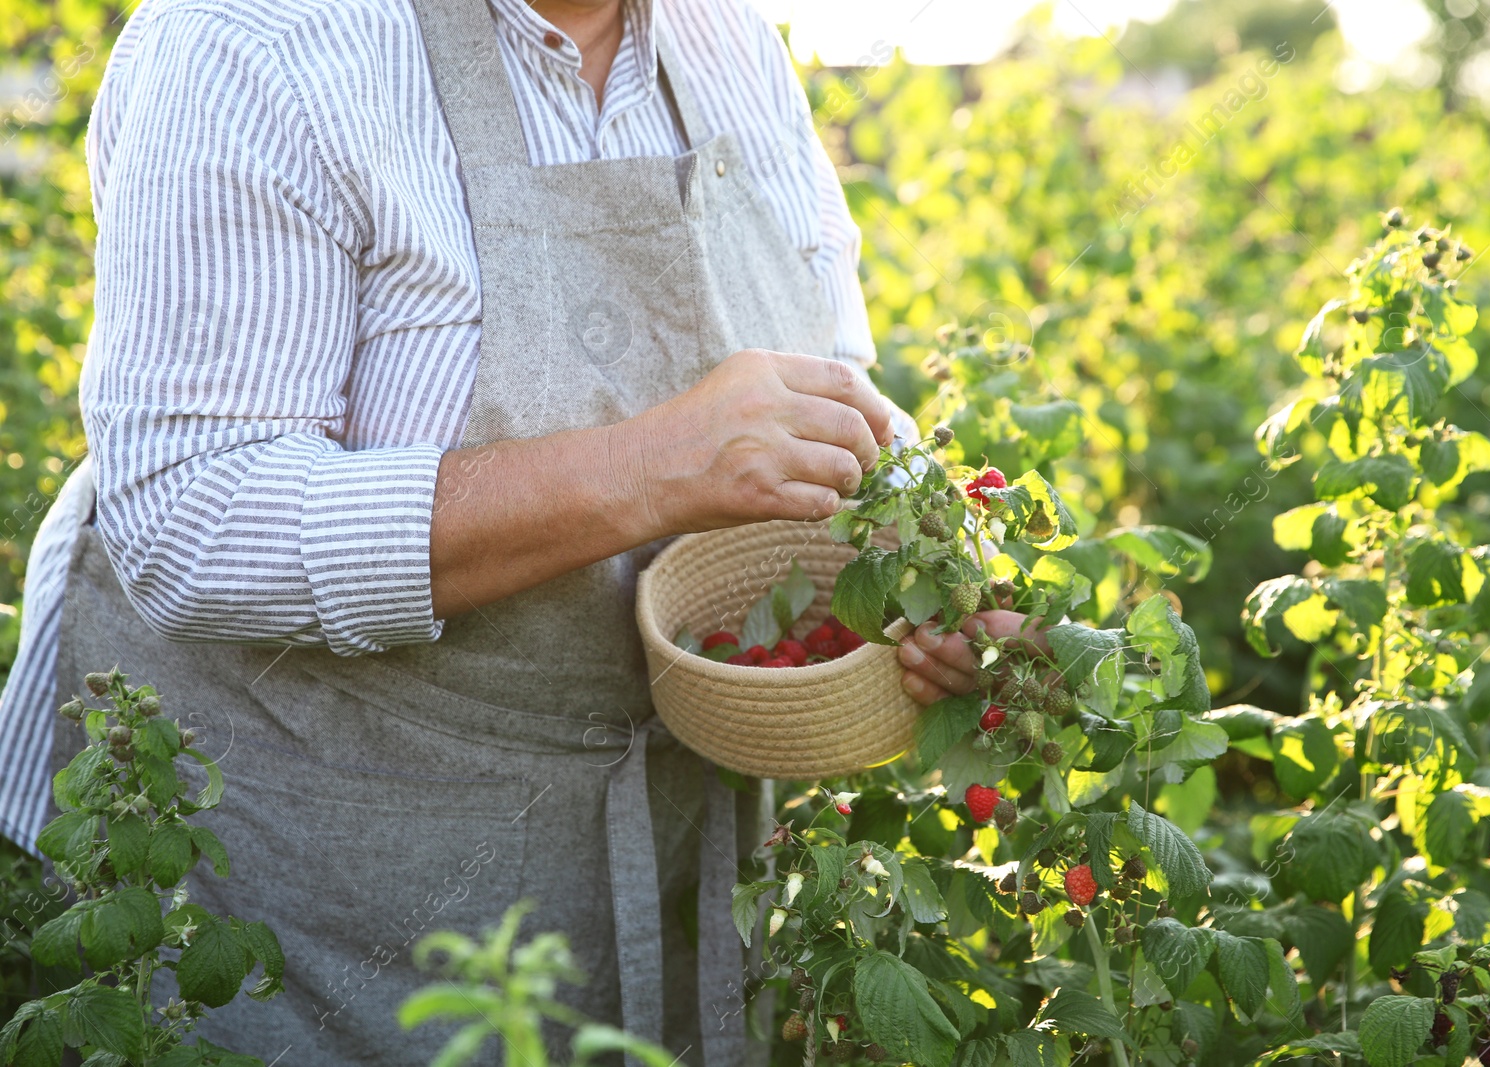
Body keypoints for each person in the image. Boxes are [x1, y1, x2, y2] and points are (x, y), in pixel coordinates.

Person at [0, 0, 1019, 1061]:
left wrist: (924, 554)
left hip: (652, 832)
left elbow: (821, 378)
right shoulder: (255, 42)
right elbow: (193, 521)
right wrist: (650, 464)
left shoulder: (723, 39)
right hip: (310, 870)